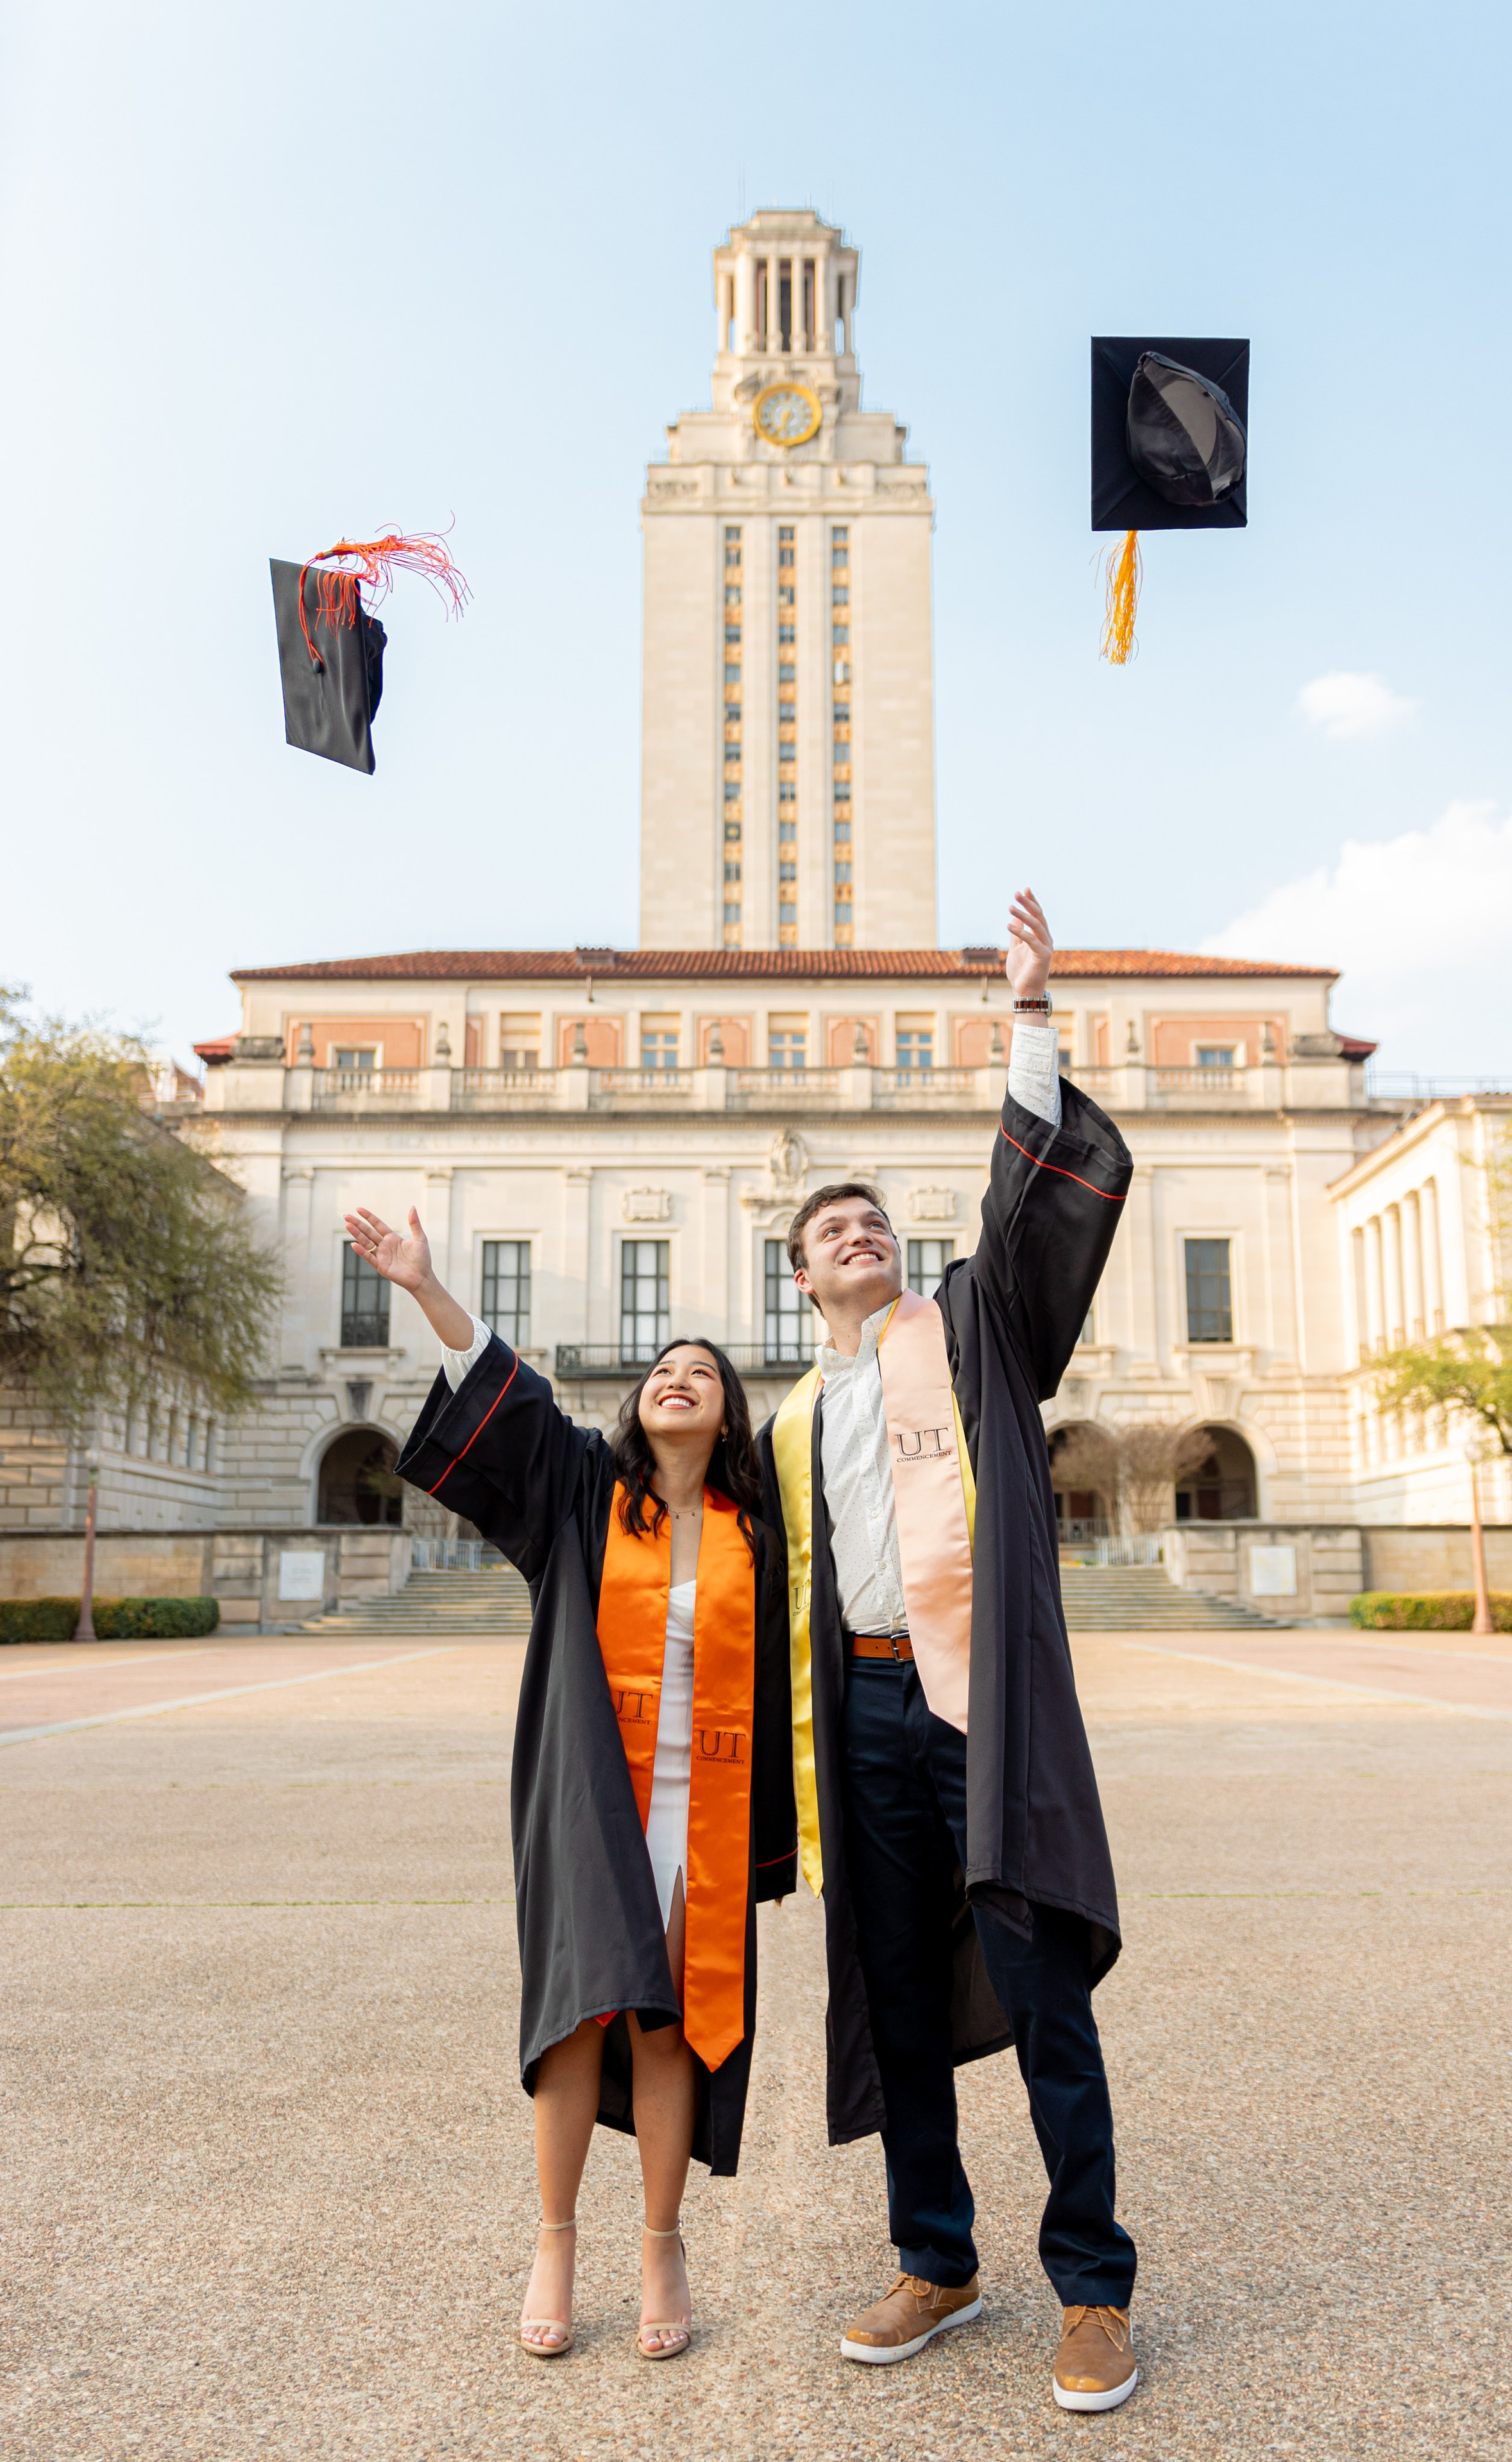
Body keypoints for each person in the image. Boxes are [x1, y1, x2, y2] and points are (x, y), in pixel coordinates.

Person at [756, 889, 1139, 2415]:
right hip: (849, 1706)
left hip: (971, 1695)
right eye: (825, 1232)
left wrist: (1028, 1014)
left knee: (1040, 1982)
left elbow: (1025, 1213)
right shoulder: (783, 1418)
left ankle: (1092, 2287)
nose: (856, 1235)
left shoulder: (968, 1331)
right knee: (897, 1986)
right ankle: (937, 2252)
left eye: (870, 1222)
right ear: (800, 1281)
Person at [341, 1208, 795, 2363]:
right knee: (577, 2019)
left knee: (669, 2024)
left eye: (703, 1371)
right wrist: (427, 1288)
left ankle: (659, 2242)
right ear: (640, 1406)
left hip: (713, 1805)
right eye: (663, 1369)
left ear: (731, 1413)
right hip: (594, 1791)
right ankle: (554, 2237)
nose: (678, 1376)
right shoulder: (589, 1491)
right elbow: (510, 1397)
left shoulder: (763, 1530)